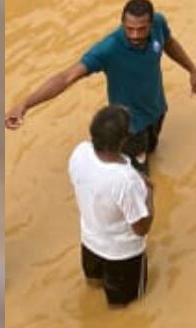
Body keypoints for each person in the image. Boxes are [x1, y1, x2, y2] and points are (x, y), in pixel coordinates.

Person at [5, 0, 196, 174]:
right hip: (130, 128)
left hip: (157, 110)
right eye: (129, 28)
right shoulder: (108, 49)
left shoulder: (159, 22)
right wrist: (25, 104)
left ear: (151, 24)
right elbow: (67, 77)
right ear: (122, 23)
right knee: (139, 177)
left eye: (141, 29)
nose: (134, 35)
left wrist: (192, 70)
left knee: (152, 148)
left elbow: (169, 43)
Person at [69, 105, 153, 308]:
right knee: (123, 310)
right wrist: (149, 194)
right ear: (123, 141)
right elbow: (141, 229)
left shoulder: (80, 152)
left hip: (89, 244)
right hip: (122, 257)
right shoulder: (126, 180)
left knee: (93, 286)